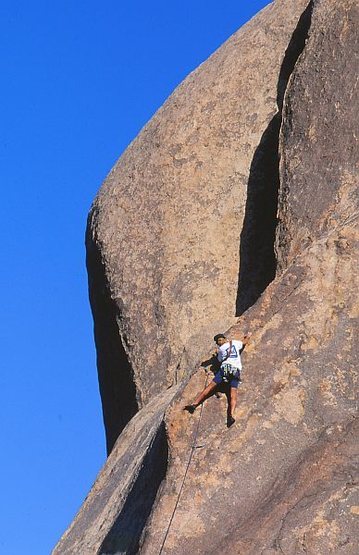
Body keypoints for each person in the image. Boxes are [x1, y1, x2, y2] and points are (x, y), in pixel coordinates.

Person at [185, 332, 250, 427]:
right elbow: (244, 342)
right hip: (235, 370)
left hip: (225, 369)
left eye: (219, 340)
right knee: (233, 394)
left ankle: (195, 404)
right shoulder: (235, 343)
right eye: (219, 341)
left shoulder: (221, 350)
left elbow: (219, 360)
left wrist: (216, 354)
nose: (220, 342)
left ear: (222, 340)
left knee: (211, 386)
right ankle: (231, 415)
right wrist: (248, 336)